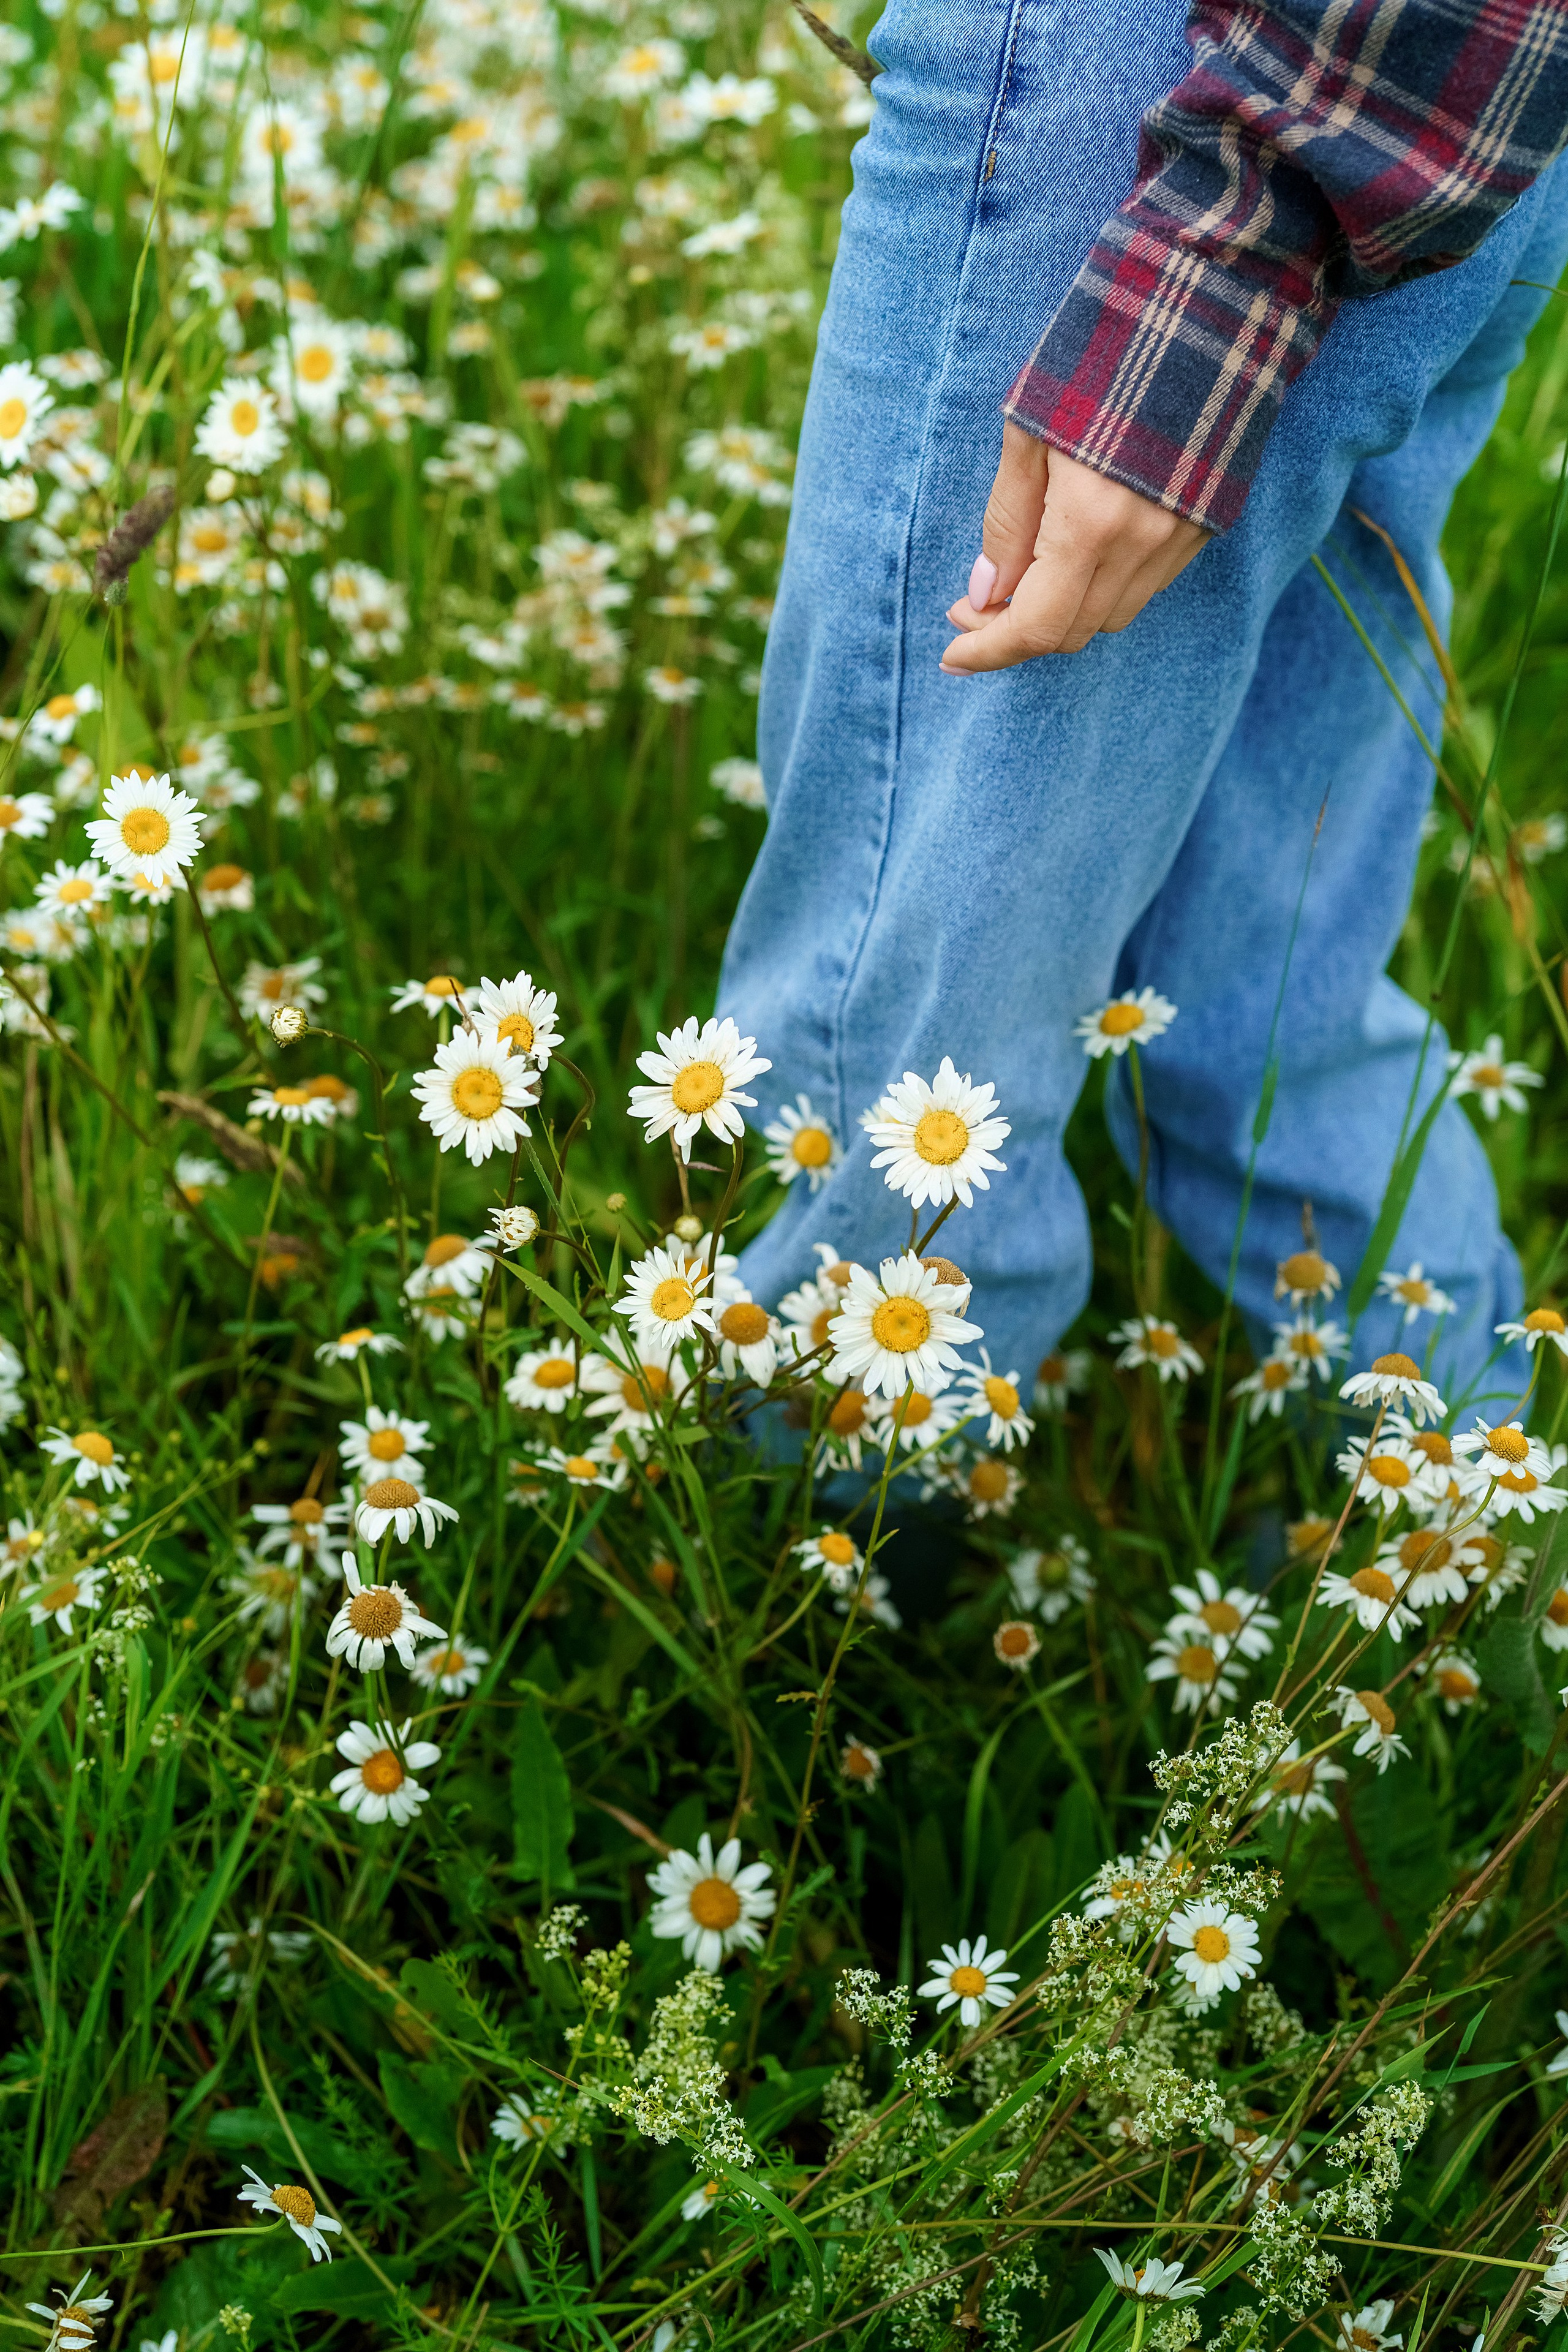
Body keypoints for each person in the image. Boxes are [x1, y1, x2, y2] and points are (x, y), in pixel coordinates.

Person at [719, 0, 1568, 1413]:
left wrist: (1222, 264)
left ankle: (819, 1567)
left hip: (1178, 131)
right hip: (1452, 108)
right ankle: (1449, 1525)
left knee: (910, 1036)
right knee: (1264, 985)